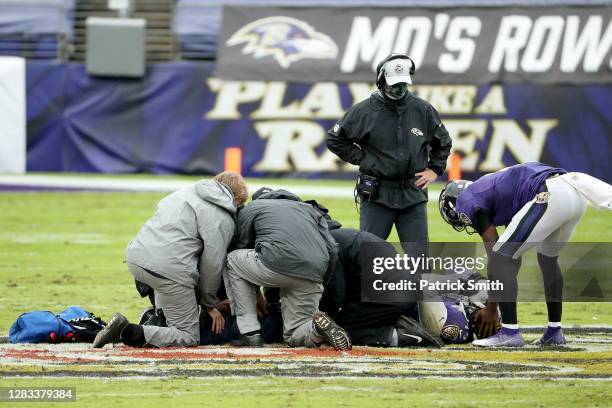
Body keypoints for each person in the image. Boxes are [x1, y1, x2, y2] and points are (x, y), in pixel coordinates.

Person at [439, 162, 612, 347]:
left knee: (499, 257)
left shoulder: (466, 199)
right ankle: (554, 331)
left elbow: (496, 254)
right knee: (547, 260)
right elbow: (513, 258)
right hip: (574, 194)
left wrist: (491, 308)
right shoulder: (494, 190)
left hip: (549, 193)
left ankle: (510, 333)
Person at [92, 171, 248, 348]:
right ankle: (126, 331)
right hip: (168, 270)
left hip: (136, 258)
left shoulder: (182, 193)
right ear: (235, 198)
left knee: (171, 299)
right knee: (188, 336)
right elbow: (212, 265)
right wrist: (209, 304)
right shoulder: (222, 217)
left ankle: (158, 317)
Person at [327, 53, 452, 243]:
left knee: (419, 261)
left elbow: (443, 142)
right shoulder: (363, 111)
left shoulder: (423, 109)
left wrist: (435, 169)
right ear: (382, 81)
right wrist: (363, 158)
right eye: (395, 84)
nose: (400, 88)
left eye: (404, 83)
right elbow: (334, 139)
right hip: (377, 196)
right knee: (369, 257)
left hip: (412, 194)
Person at [224, 188, 351, 350]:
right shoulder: (309, 210)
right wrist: (320, 281)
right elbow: (332, 250)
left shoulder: (254, 207)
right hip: (314, 272)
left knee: (232, 258)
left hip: (276, 264)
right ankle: (316, 330)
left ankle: (250, 333)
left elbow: (241, 245)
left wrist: (256, 293)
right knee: (294, 333)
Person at [322, 227, 442, 348]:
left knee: (334, 330)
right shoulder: (345, 236)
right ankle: (393, 323)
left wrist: (318, 317)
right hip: (406, 291)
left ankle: (400, 336)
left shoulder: (329, 245)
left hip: (389, 298)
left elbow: (336, 295)